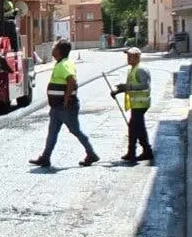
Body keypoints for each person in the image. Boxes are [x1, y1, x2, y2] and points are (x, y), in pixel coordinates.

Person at [30, 40, 99, 168]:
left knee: (75, 131)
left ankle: (91, 153)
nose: (53, 49)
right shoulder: (63, 63)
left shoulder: (63, 65)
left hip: (65, 107)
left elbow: (71, 81)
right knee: (52, 132)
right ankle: (45, 157)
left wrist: (66, 100)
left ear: (59, 51)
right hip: (57, 107)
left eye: (55, 47)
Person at [112, 47, 154, 162]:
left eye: (130, 56)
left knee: (135, 128)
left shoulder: (141, 70)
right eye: (128, 56)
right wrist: (118, 91)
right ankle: (142, 151)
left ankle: (137, 152)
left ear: (137, 57)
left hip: (141, 104)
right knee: (137, 128)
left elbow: (144, 86)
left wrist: (126, 87)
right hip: (136, 104)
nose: (128, 58)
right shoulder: (133, 69)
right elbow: (130, 86)